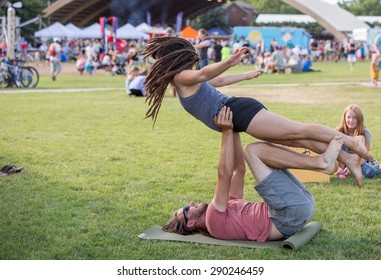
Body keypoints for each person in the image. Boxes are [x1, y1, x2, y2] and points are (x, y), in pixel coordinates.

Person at [141, 36, 373, 187]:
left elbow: (207, 75)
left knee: (297, 131)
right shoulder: (182, 80)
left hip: (239, 112)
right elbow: (216, 79)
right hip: (238, 115)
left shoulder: (183, 77)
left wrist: (230, 63)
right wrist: (245, 75)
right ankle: (347, 158)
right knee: (298, 137)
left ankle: (351, 144)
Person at [163, 107, 344, 241]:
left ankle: (322, 163)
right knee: (253, 151)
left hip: (297, 207)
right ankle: (321, 163)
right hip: (287, 215)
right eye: (187, 209)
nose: (191, 203)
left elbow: (238, 170)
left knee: (262, 153)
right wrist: (225, 131)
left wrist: (234, 128)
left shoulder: (226, 208)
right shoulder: (212, 221)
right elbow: (223, 174)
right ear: (191, 223)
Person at [335, 104, 380, 179]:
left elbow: (364, 156)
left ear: (359, 119)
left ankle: (377, 167)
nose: (351, 120)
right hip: (343, 160)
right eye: (348, 117)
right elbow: (337, 152)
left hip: (359, 161)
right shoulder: (339, 131)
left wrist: (353, 167)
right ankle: (343, 170)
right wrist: (340, 168)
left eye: (354, 117)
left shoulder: (365, 133)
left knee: (370, 172)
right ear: (344, 118)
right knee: (343, 139)